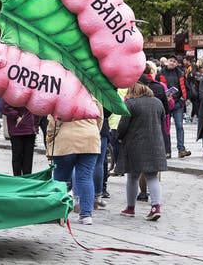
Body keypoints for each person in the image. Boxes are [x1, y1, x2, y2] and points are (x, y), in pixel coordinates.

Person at [115, 82, 168, 221]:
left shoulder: (130, 104)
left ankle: (130, 208)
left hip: (135, 144)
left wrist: (118, 137)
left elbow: (123, 126)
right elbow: (162, 121)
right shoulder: (157, 102)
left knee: (132, 177)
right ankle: (156, 207)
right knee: (152, 176)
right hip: (155, 143)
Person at [46, 99, 103, 225]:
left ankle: (57, 213)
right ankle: (86, 215)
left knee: (60, 179)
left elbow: (54, 123)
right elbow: (100, 119)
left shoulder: (63, 96)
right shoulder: (94, 98)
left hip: (66, 140)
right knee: (85, 178)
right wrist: (92, 131)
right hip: (90, 140)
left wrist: (49, 141)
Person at [157, 55, 190, 158]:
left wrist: (182, 99)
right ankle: (167, 151)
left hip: (177, 103)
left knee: (179, 126)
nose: (172, 63)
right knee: (166, 128)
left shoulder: (180, 73)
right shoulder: (160, 73)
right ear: (167, 62)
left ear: (176, 63)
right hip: (165, 103)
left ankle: (181, 149)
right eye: (170, 61)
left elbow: (186, 87)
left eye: (174, 61)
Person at [1, 103, 38, 176]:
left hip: (30, 129)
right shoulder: (11, 91)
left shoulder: (34, 91)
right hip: (17, 129)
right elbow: (5, 107)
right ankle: (18, 179)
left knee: (28, 158)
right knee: (17, 157)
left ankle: (27, 179)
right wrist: (17, 117)